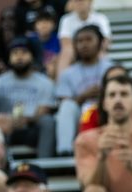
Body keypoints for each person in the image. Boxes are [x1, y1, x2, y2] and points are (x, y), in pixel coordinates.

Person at [0, 37, 56, 160]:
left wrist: (26, 120)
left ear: (32, 56)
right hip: (5, 128)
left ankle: (45, 164)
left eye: (24, 53)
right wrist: (8, 122)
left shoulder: (45, 83)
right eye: (15, 53)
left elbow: (44, 111)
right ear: (9, 58)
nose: (19, 57)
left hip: (32, 128)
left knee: (48, 121)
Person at [53, 24, 111, 155]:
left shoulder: (111, 68)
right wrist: (84, 96)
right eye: (80, 41)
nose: (84, 44)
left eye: (89, 39)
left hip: (105, 112)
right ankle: (65, 151)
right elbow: (64, 102)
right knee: (67, 106)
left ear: (100, 43)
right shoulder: (67, 73)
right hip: (79, 114)